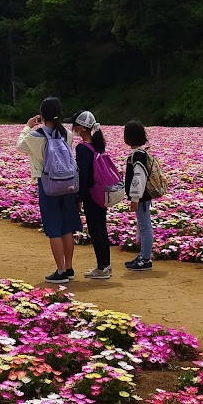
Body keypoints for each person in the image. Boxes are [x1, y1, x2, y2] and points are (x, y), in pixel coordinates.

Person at [16, 96, 80, 284]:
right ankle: (68, 268)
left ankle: (59, 271)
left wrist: (28, 126)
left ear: (42, 115)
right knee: (67, 228)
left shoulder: (36, 136)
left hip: (48, 185)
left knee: (54, 229)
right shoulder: (67, 134)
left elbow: (20, 146)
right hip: (68, 184)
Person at [71, 110, 112, 279]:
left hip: (91, 194)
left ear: (81, 128)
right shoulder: (97, 144)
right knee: (102, 229)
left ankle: (101, 267)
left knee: (95, 230)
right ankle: (106, 265)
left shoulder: (82, 148)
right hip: (101, 192)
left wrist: (79, 197)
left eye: (74, 126)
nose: (72, 128)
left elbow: (84, 175)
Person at [123, 119, 154, 271]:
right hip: (143, 197)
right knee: (142, 227)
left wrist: (135, 198)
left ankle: (146, 259)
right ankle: (142, 256)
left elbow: (138, 177)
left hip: (141, 197)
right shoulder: (139, 153)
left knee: (145, 227)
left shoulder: (138, 155)